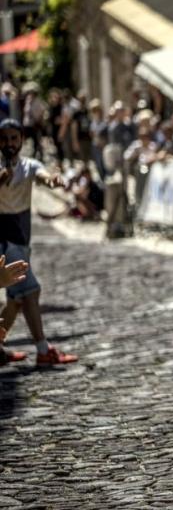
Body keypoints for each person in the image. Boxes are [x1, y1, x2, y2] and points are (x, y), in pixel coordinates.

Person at [0, 119, 78, 367]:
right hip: (6, 239)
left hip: (21, 238)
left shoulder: (28, 165)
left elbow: (43, 175)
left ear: (22, 140)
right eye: (5, 139)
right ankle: (44, 350)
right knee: (30, 292)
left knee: (15, 300)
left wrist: (53, 180)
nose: (10, 144)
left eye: (14, 138)